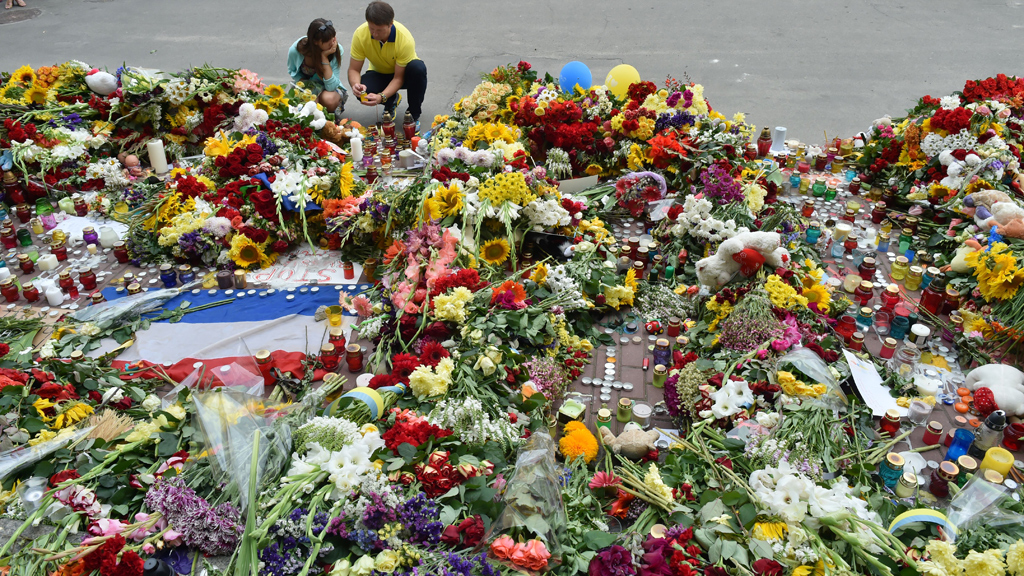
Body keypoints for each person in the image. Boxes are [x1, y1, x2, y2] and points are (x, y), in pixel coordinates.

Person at [347, 1, 427, 124]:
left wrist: (381, 96)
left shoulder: (404, 38)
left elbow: (398, 78)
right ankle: (391, 100)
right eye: (371, 28)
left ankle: (413, 114)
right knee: (364, 91)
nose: (374, 34)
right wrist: (356, 85)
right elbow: (354, 69)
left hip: (405, 74)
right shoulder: (360, 34)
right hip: (379, 72)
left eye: (379, 30)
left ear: (390, 24)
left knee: (418, 69)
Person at [287, 18, 348, 119]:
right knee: (307, 104)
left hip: (328, 89)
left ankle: (325, 114)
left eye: (333, 37)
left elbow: (331, 86)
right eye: (327, 41)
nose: (333, 42)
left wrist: (324, 58)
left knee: (329, 100)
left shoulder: (336, 50)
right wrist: (309, 89)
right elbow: (293, 71)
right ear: (315, 42)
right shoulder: (296, 50)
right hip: (306, 86)